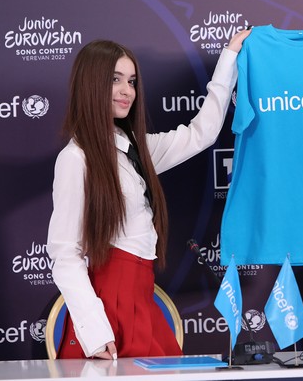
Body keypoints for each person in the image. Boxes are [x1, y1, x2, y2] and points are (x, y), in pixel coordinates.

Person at [46, 29, 251, 359]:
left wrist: (229, 57)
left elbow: (202, 134)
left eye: (131, 81)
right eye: (115, 79)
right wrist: (95, 332)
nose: (127, 91)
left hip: (142, 299)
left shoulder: (138, 149)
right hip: (108, 309)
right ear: (90, 83)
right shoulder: (75, 159)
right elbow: (65, 253)